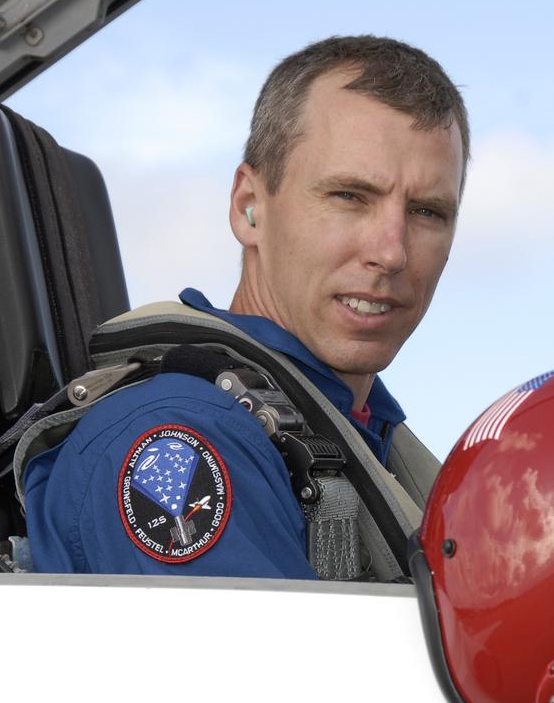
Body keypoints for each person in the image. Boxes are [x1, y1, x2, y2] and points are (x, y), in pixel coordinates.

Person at [23, 35, 470, 577]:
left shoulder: (364, 434)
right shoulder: (181, 441)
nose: (391, 252)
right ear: (248, 208)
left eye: (427, 211)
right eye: (349, 196)